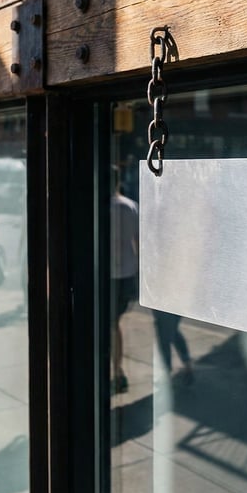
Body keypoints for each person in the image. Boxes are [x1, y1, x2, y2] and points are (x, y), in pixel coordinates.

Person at [110, 166, 139, 394]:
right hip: (127, 274)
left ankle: (116, 371)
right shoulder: (130, 206)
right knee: (113, 324)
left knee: (108, 325)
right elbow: (138, 241)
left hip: (107, 275)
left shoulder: (102, 208)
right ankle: (117, 370)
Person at [153, 309, 194, 385]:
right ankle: (187, 363)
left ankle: (166, 372)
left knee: (165, 338)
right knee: (173, 332)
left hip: (166, 305)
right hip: (173, 304)